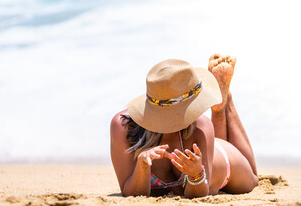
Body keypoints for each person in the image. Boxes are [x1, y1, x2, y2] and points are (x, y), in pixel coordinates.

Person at [110, 54, 258, 198]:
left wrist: (197, 175)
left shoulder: (201, 125)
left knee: (254, 179)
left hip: (225, 162)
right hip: (205, 142)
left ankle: (224, 104)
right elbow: (130, 192)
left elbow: (200, 194)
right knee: (213, 140)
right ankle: (219, 107)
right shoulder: (123, 126)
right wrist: (142, 165)